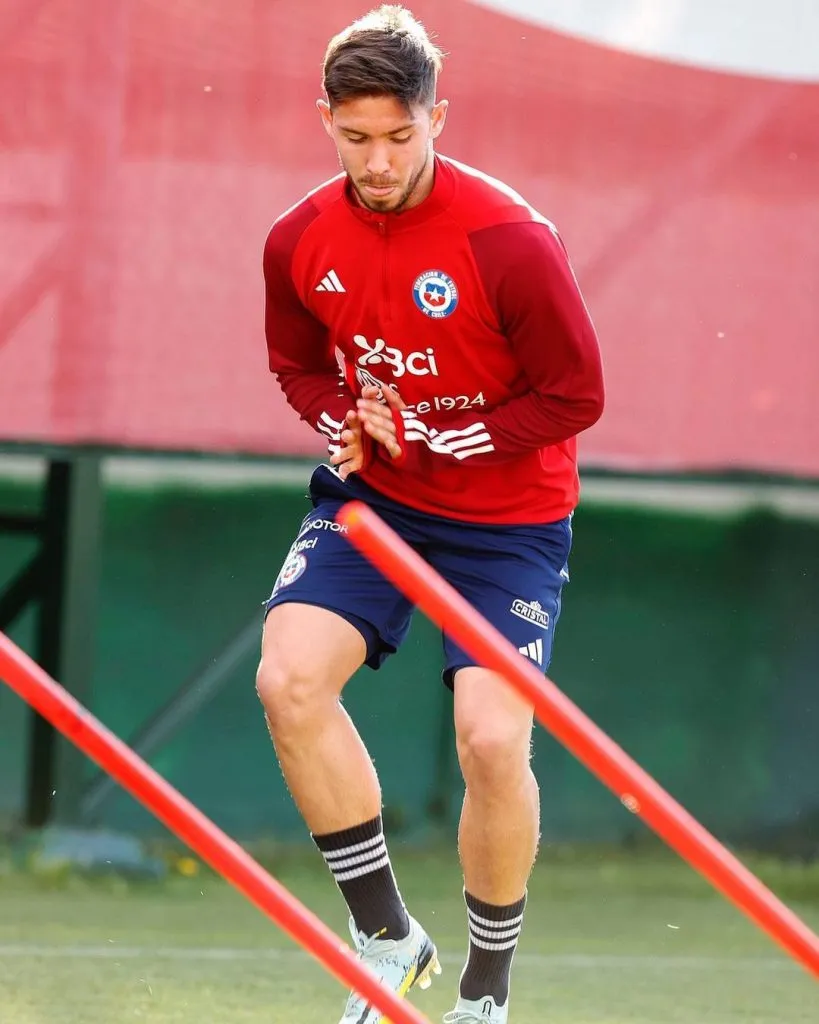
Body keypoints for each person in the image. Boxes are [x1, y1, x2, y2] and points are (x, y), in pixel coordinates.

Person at [257, 5, 604, 1023]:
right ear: (324, 119)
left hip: (508, 525)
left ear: (437, 117)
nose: (377, 161)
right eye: (356, 137)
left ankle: (486, 992)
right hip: (376, 506)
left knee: (493, 743)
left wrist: (454, 438)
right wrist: (341, 428)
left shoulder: (510, 237)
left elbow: (575, 394)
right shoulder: (297, 237)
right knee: (286, 682)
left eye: (399, 136)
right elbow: (298, 366)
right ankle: (387, 938)